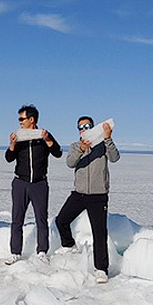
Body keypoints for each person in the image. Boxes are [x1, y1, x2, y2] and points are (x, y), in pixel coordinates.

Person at [54, 116, 120, 283]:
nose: (83, 128)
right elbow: (70, 162)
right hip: (79, 193)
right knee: (61, 220)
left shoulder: (103, 145)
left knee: (99, 232)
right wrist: (81, 149)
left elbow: (115, 157)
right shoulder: (75, 146)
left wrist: (108, 138)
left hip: (98, 196)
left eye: (87, 126)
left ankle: (101, 269)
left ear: (92, 127)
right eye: (80, 127)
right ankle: (69, 245)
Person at [5, 104, 62, 264]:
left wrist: (48, 140)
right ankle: (15, 252)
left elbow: (57, 152)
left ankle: (42, 251)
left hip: (39, 184)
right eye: (19, 119)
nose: (20, 122)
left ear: (32, 119)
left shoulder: (44, 135)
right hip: (20, 183)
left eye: (22, 119)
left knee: (41, 219)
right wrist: (12, 144)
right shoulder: (18, 136)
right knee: (17, 219)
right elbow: (9, 158)